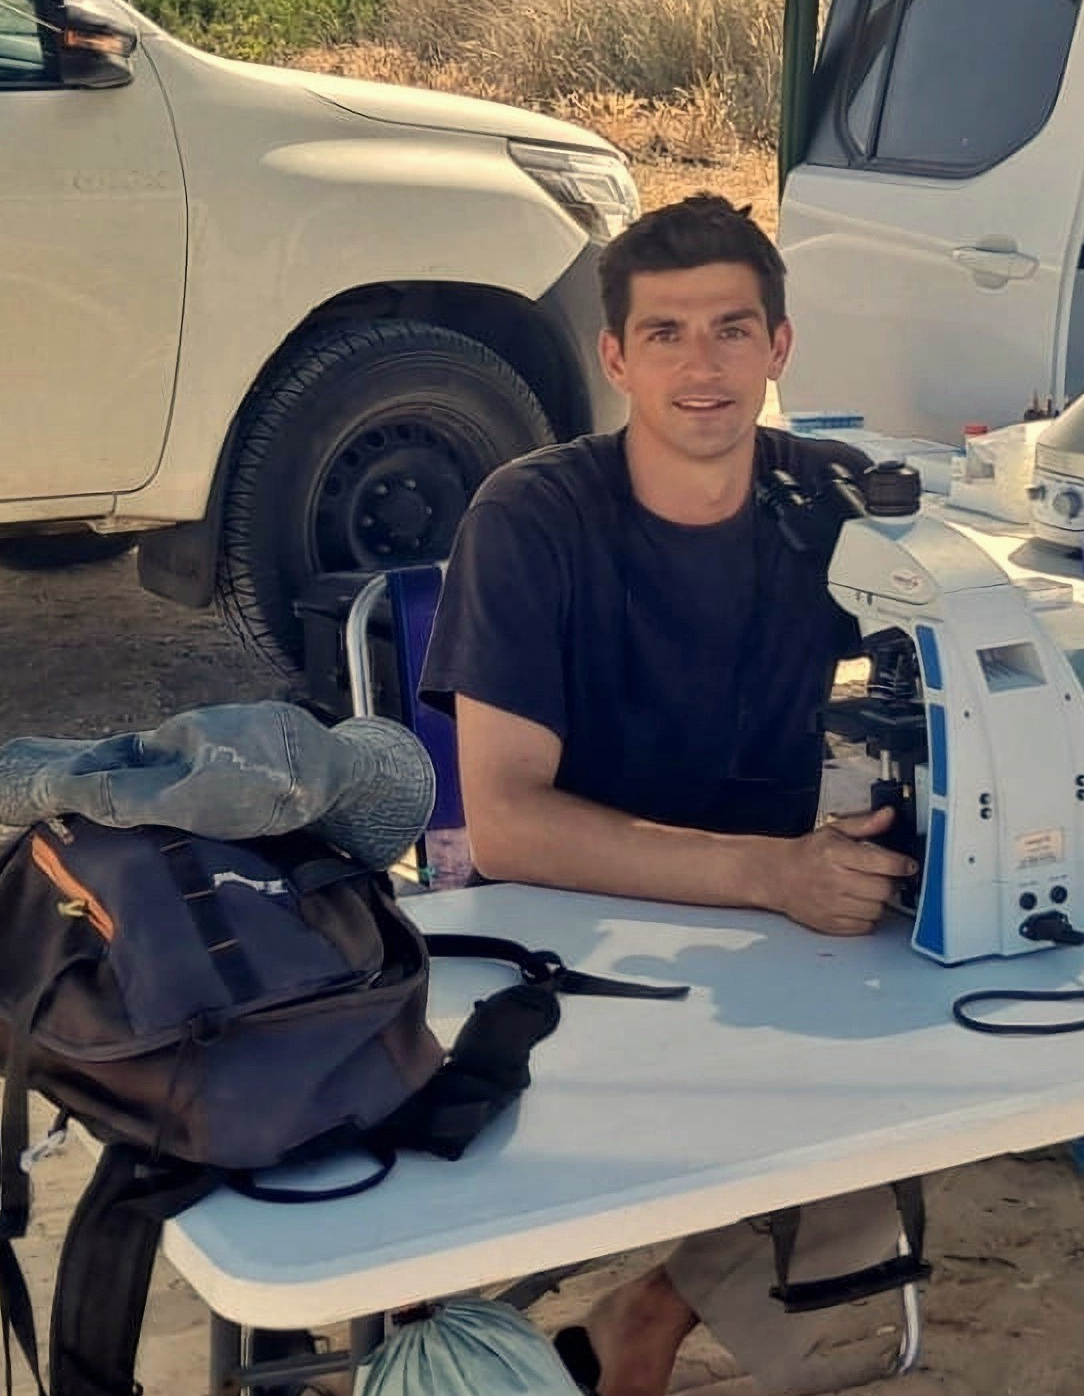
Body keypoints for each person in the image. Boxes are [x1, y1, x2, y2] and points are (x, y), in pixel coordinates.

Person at [420, 193, 918, 1396]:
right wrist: (770, 872)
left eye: (733, 331)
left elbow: (935, 693)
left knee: (924, 1074)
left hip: (781, 926)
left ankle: (653, 1307)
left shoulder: (832, 502)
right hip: (565, 925)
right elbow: (508, 820)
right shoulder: (532, 517)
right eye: (667, 335)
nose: (703, 368)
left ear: (779, 347)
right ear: (615, 356)